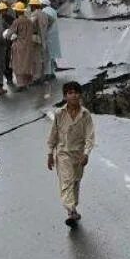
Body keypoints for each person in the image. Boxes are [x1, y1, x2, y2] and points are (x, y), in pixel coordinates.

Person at [46, 80, 95, 226]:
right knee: (67, 181)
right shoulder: (59, 113)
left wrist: (86, 154)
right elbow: (53, 135)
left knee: (75, 180)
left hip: (78, 154)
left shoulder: (85, 115)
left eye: (75, 92)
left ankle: (73, 207)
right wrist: (50, 154)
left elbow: (90, 137)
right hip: (63, 152)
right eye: (70, 93)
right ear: (65, 96)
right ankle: (71, 211)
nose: (73, 95)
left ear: (80, 95)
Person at [7, 1, 38, 90]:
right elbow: (34, 30)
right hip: (29, 45)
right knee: (28, 64)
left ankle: (21, 84)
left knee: (18, 65)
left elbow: (9, 34)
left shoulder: (16, 22)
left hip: (19, 46)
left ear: (16, 11)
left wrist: (11, 37)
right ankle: (29, 82)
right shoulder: (29, 21)